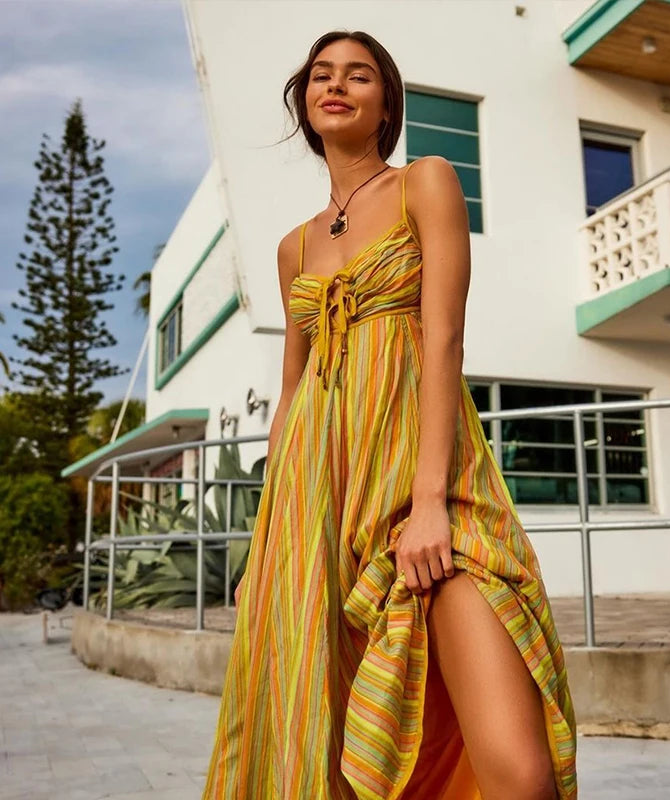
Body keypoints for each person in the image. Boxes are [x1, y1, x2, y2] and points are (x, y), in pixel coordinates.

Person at [202, 30, 577, 800]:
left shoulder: (425, 183)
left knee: (519, 770)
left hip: (425, 488)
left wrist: (431, 501)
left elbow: (442, 339)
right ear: (305, 104)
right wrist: (268, 544)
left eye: (359, 74)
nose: (335, 84)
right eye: (320, 75)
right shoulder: (292, 247)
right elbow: (293, 389)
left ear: (385, 103)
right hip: (314, 503)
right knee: (324, 738)